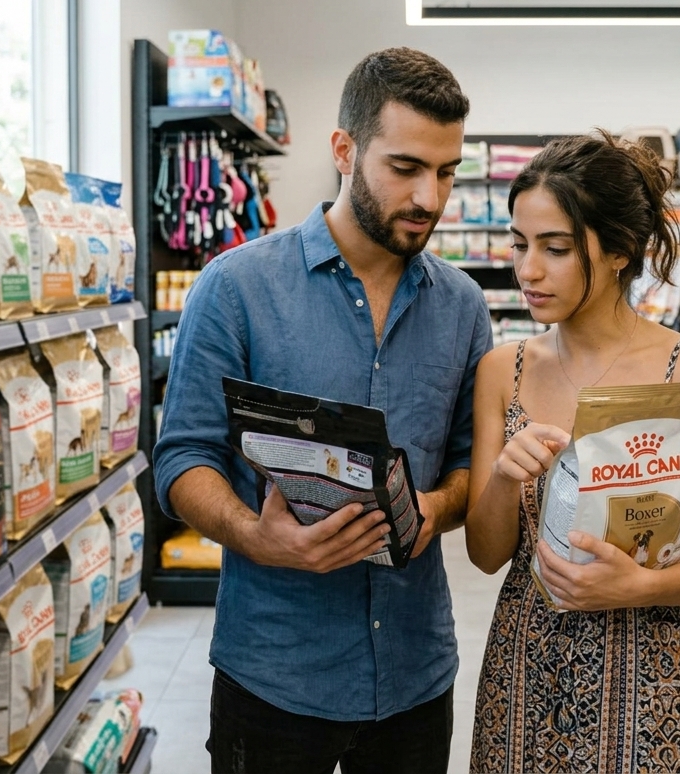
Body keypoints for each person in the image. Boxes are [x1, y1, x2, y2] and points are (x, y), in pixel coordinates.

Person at [153, 47, 493, 774]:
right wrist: (256, 535)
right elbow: (180, 459)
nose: (430, 198)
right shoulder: (235, 288)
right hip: (274, 671)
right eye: (405, 168)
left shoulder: (463, 308)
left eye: (446, 172)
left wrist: (437, 507)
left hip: (414, 674)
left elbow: (470, 461)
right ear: (344, 150)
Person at [465, 131, 680, 774]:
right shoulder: (503, 371)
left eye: (556, 248)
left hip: (652, 676)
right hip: (527, 671)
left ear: (622, 251)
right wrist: (498, 479)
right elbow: (487, 556)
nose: (528, 270)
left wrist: (643, 585)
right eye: (520, 244)